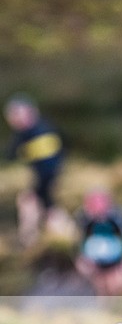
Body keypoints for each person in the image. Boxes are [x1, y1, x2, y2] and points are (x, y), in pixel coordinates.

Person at [3, 94, 69, 247]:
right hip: (43, 179)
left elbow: (50, 164)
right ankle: (41, 238)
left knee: (39, 206)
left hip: (46, 179)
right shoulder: (23, 134)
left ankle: (36, 240)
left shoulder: (40, 131)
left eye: (17, 114)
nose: (14, 120)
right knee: (39, 206)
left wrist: (39, 189)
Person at [74, 188, 122, 296]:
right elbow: (77, 243)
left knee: (116, 284)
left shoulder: (120, 217)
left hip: (118, 264)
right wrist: (82, 260)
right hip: (94, 265)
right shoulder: (83, 219)